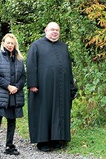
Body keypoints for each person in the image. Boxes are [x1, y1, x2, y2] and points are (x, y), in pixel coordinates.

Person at [26, 22, 77, 152]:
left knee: (60, 111)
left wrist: (71, 86)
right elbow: (31, 65)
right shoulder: (36, 45)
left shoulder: (63, 46)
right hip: (43, 87)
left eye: (57, 30)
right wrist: (32, 84)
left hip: (62, 86)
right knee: (44, 112)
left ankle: (57, 139)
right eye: (52, 30)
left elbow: (68, 68)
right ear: (46, 30)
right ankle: (43, 141)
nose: (55, 32)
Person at [0, 34, 26, 158]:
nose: (10, 45)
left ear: (15, 44)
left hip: (14, 95)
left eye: (12, 43)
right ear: (3, 43)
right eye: (8, 43)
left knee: (12, 121)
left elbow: (23, 77)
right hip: (0, 94)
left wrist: (17, 87)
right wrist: (8, 86)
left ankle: (9, 146)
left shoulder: (19, 59)